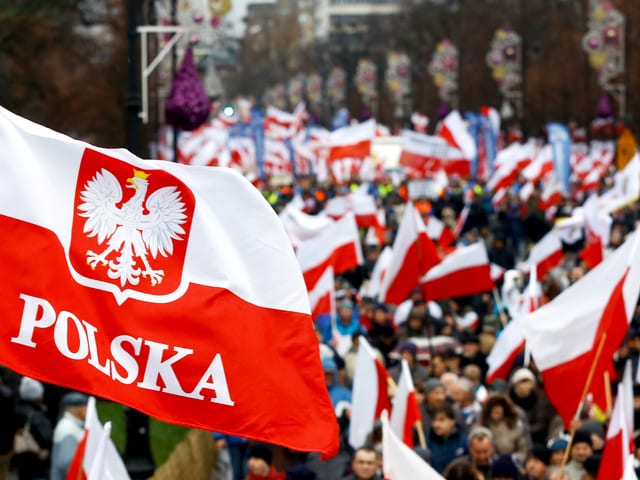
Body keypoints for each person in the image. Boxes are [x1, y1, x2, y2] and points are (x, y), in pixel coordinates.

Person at [12, 376, 52, 480]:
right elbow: (47, 437)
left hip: (21, 460)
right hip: (37, 464)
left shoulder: (16, 408)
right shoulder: (36, 415)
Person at [479, 393, 531, 459]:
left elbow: (523, 449)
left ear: (505, 409)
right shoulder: (483, 428)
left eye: (498, 407)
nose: (495, 409)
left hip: (514, 461)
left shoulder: (515, 426)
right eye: (493, 407)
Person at [50, 392, 88, 480]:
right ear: (80, 409)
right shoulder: (68, 429)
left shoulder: (70, 425)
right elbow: (67, 462)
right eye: (86, 407)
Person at [426, 403, 468, 474]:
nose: (436, 424)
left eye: (441, 420)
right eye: (434, 420)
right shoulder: (427, 442)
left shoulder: (463, 442)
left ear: (452, 421)